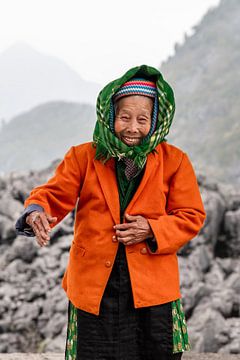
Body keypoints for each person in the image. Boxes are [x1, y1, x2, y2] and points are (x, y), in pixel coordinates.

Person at [16, 64, 206, 360]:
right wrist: (36, 211)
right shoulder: (83, 157)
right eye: (124, 117)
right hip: (95, 289)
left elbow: (191, 214)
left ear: (155, 121)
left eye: (143, 119)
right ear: (110, 116)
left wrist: (152, 229)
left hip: (152, 289)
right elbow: (53, 193)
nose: (133, 128)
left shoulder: (175, 161)